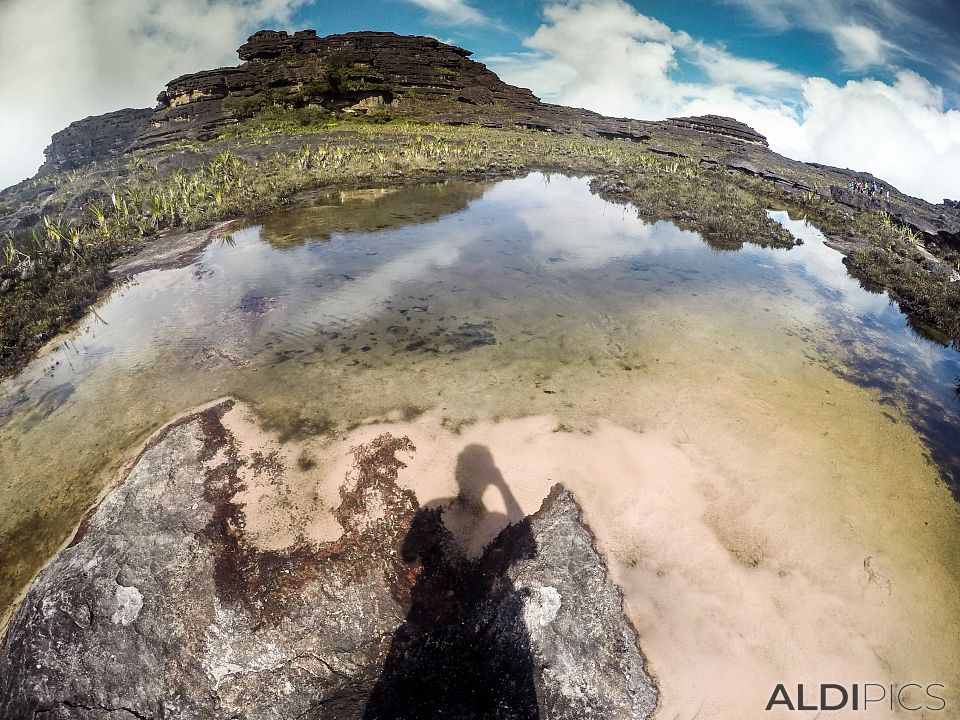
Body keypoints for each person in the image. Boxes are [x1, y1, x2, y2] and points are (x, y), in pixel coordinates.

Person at [363, 445, 540, 719]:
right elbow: (529, 544)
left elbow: (408, 554)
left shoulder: (435, 510)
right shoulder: (491, 519)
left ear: (458, 474)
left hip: (436, 615)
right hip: (469, 619)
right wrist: (502, 485)